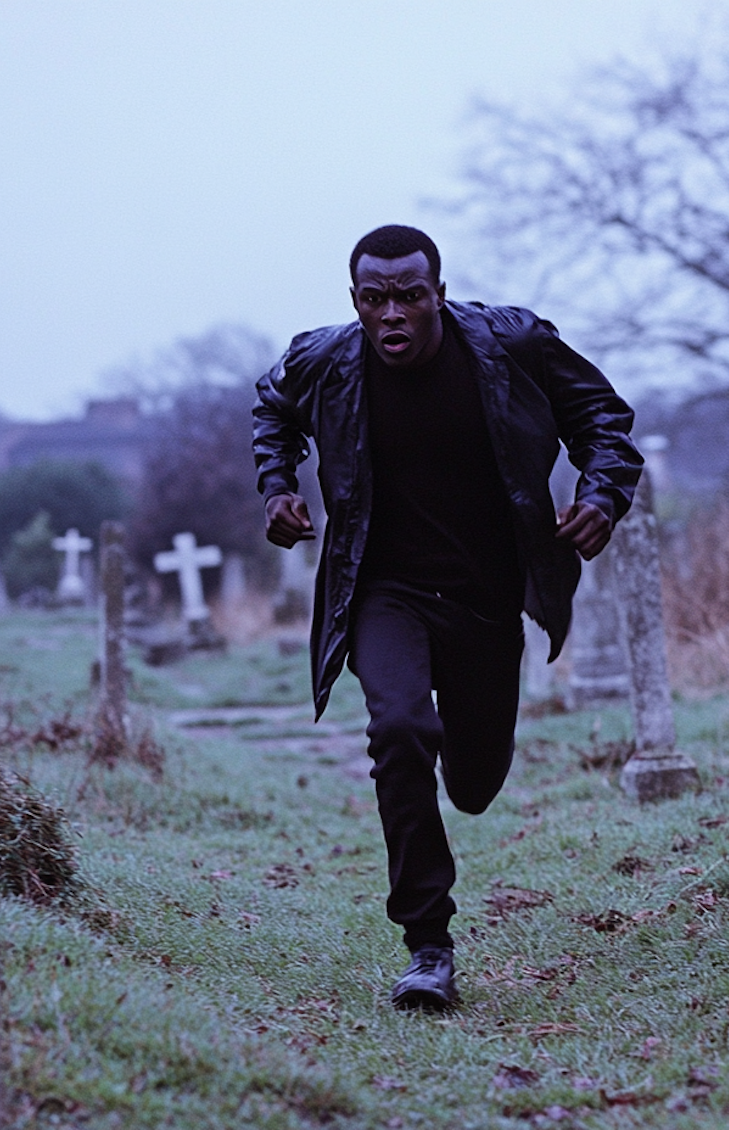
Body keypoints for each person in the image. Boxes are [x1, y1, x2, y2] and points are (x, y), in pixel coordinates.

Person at [252, 225, 641, 1011]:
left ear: (438, 293)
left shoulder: (514, 344)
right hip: (382, 592)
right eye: (374, 298)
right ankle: (428, 946)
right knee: (399, 730)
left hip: (487, 598)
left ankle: (465, 766)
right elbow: (273, 407)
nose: (392, 313)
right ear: (355, 301)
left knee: (472, 784)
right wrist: (277, 485)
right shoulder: (325, 360)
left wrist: (602, 495)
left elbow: (605, 420)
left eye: (409, 296)